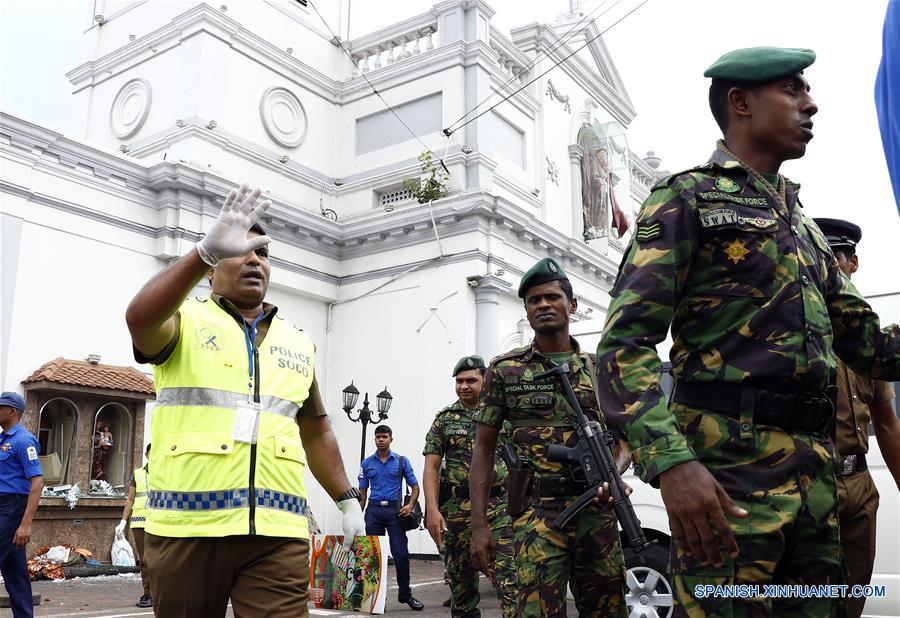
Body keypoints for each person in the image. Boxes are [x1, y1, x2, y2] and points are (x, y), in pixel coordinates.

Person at [595, 46, 900, 617]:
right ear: (740, 103)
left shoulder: (804, 228)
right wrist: (672, 463)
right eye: (793, 89)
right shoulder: (687, 197)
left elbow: (872, 347)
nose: (812, 104)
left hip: (816, 485)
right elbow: (622, 348)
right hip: (727, 485)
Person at [125, 184, 366, 617]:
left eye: (263, 253)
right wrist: (201, 251)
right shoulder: (184, 320)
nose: (255, 259)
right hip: (187, 530)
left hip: (278, 535)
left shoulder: (298, 342)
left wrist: (346, 498)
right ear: (212, 270)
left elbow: (316, 428)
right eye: (240, 250)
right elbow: (139, 319)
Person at [470, 258, 627, 617]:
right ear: (526, 311)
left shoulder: (601, 369)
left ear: (571, 305)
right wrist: (479, 527)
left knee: (608, 610)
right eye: (533, 300)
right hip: (537, 516)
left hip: (598, 513)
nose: (543, 305)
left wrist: (613, 474)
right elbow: (483, 449)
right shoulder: (505, 369)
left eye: (552, 297)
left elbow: (626, 438)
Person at [813, 217, 900, 618]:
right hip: (810, 483)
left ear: (853, 264)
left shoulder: (868, 341)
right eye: (823, 259)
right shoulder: (797, 332)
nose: (832, 268)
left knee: (852, 601)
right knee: (805, 601)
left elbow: (886, 421)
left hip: (859, 485)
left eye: (839, 259)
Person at [423, 355, 517, 618]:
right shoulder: (445, 418)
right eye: (459, 381)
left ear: (485, 381)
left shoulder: (504, 417)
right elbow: (431, 466)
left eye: (471, 380)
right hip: (456, 513)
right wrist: (432, 510)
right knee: (462, 593)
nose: (463, 386)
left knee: (510, 585)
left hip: (498, 509)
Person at [358, 425, 424, 611]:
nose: (381, 439)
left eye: (384, 436)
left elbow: (415, 487)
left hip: (395, 513)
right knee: (373, 558)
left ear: (391, 439)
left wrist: (410, 505)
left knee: (401, 555)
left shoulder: (402, 461)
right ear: (375, 439)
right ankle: (376, 599)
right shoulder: (367, 463)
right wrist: (356, 515)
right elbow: (363, 493)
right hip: (374, 513)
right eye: (378, 437)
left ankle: (405, 595)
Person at [0, 391, 44, 618]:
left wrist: (25, 524)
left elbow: (37, 482)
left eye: (0, 407)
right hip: (3, 508)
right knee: (15, 574)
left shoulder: (23, 440)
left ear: (12, 411)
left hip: (11, 509)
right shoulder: (3, 440)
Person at [116, 443, 153, 608]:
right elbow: (130, 499)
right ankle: (148, 594)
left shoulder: (167, 474)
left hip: (161, 522)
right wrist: (123, 521)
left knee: (160, 561)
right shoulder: (137, 474)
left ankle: (163, 593)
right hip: (139, 523)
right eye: (152, 453)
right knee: (145, 560)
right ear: (146, 455)